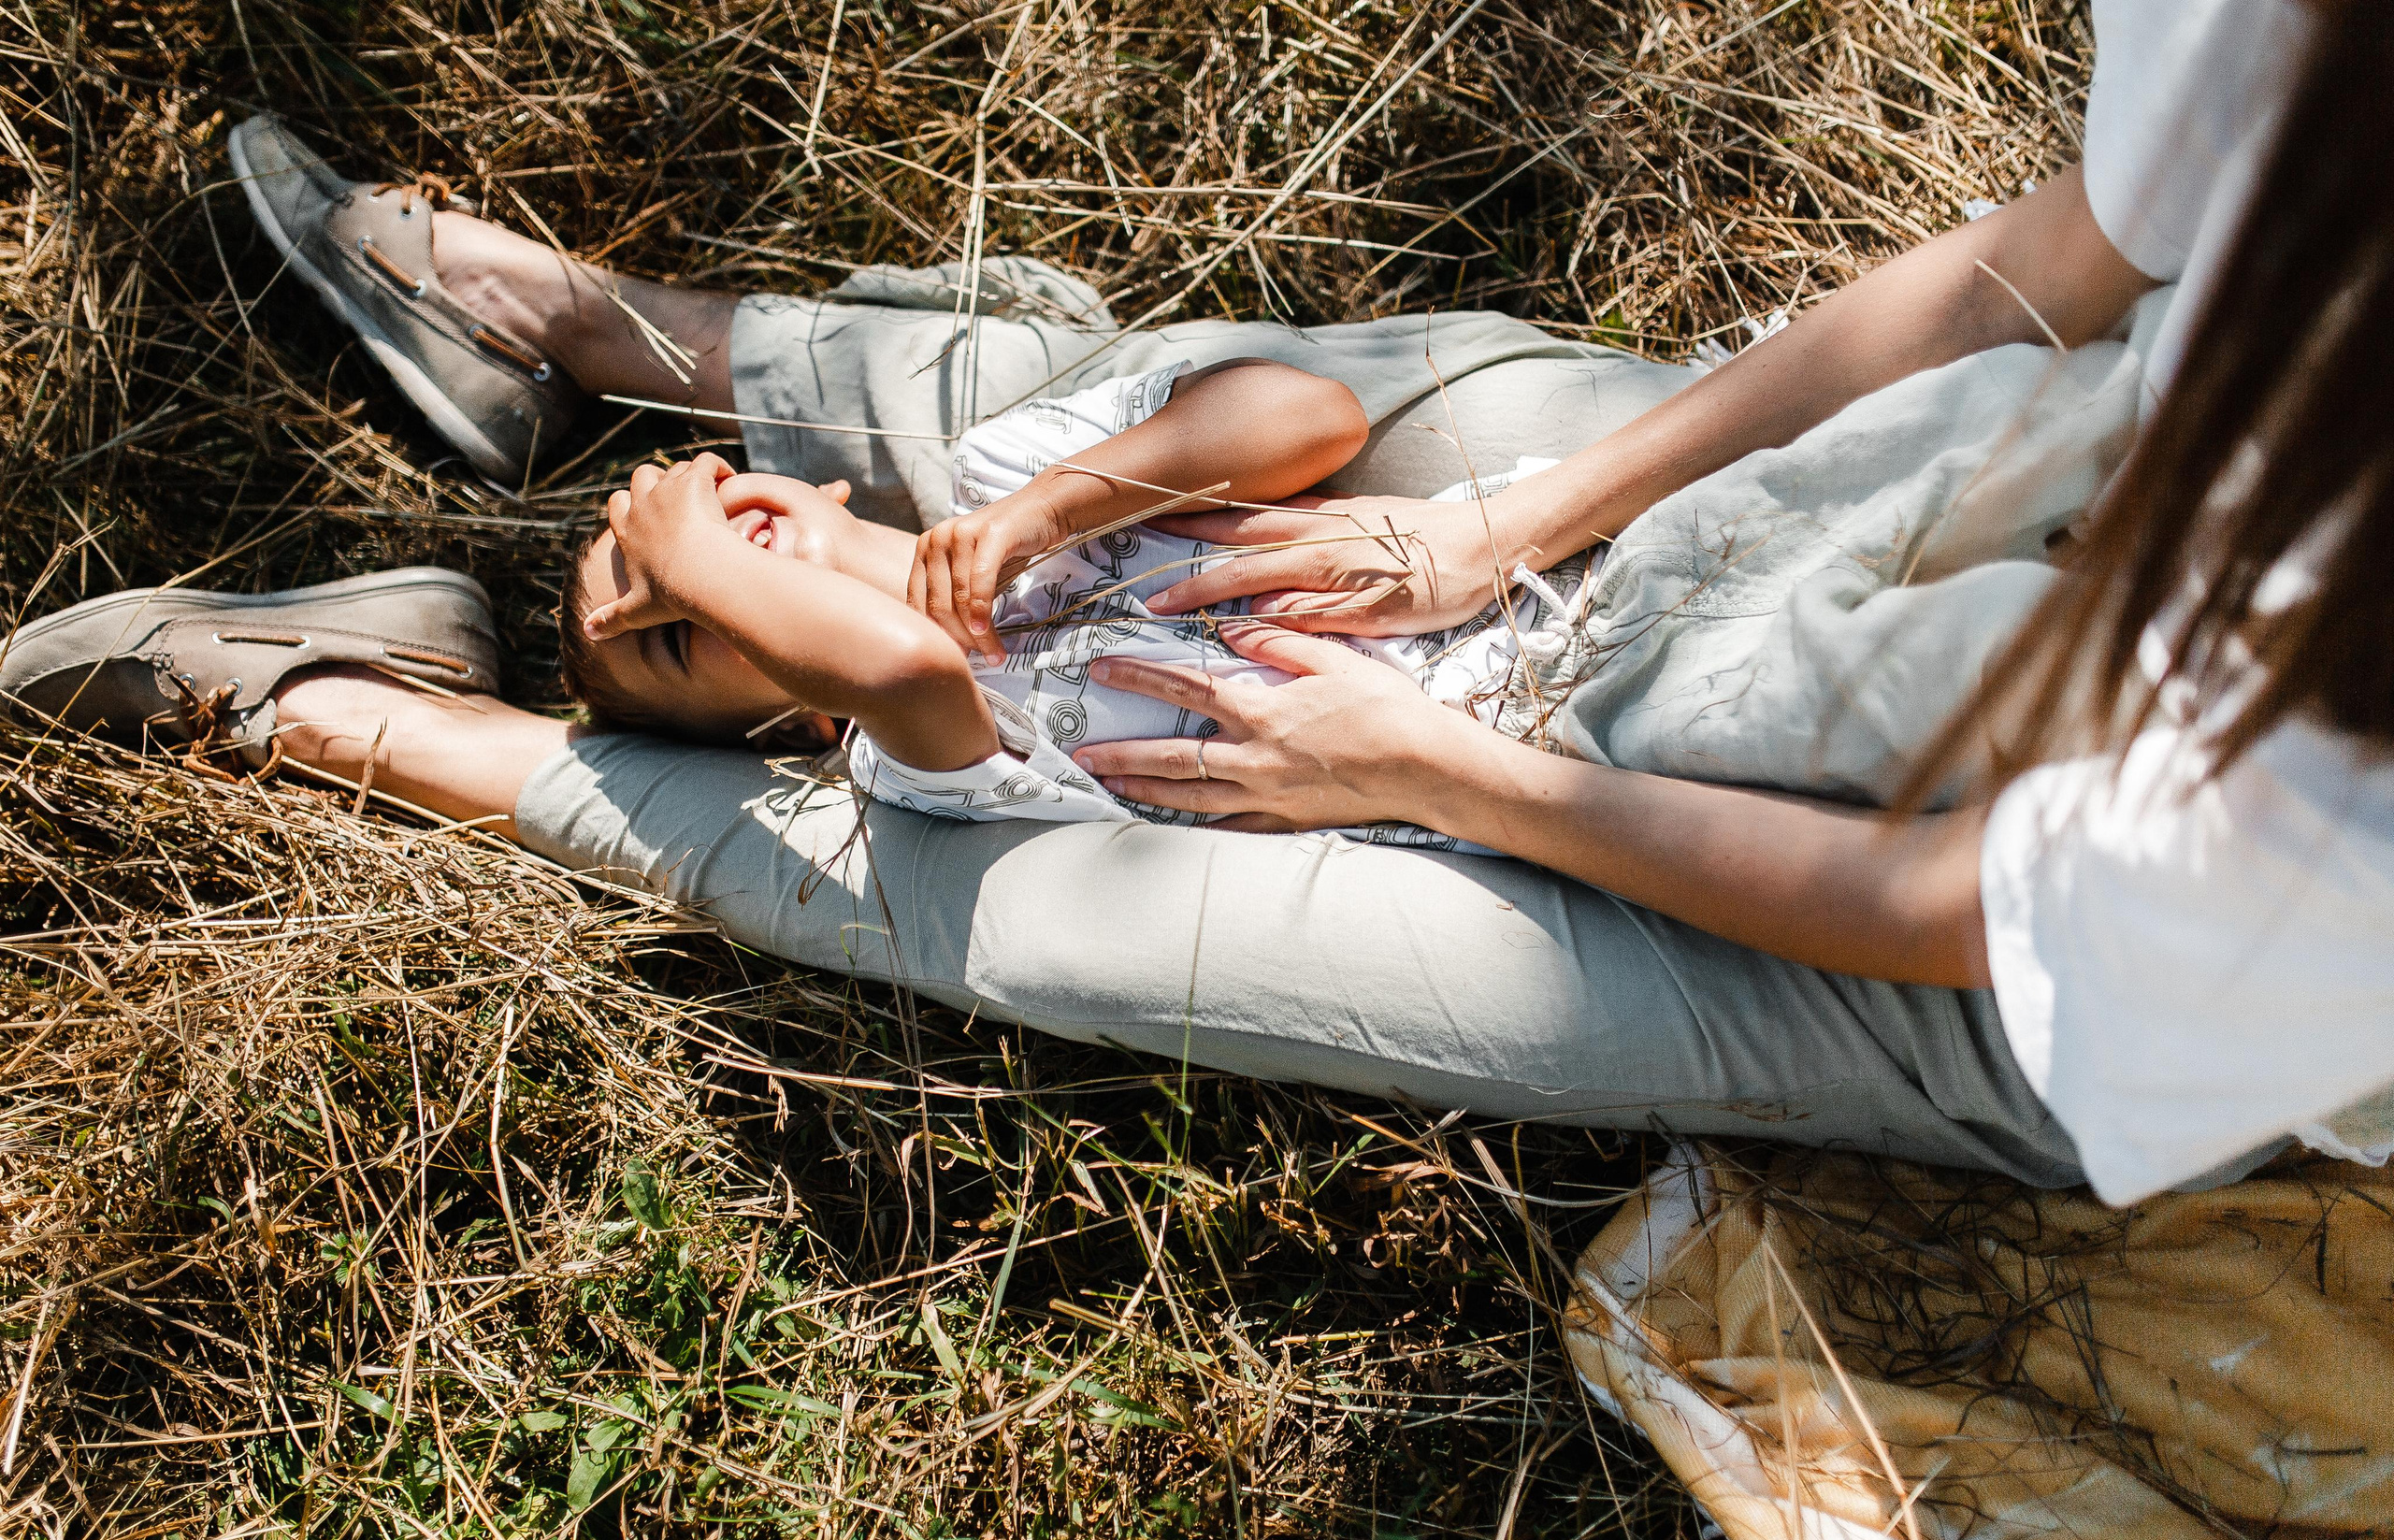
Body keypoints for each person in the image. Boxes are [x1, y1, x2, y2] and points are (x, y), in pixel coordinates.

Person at [10, 0, 2387, 1203]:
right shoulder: (910, 694)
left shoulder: (932, 665)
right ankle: (581, 344)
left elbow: (1974, 902)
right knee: (1356, 431)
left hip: (1900, 873)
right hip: (1689, 618)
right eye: (663, 616)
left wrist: (1427, 745)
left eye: (665, 553)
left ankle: (343, 704)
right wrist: (1506, 513)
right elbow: (2059, 252)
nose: (690, 553)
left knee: (998, 918)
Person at [564, 359, 1575, 847]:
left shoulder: (1006, 468)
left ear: (819, 485)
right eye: (689, 621)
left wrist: (1045, 510)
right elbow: (896, 664)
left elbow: (1315, 415)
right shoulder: (913, 758)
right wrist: (698, 558)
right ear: (803, 709)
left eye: (688, 520)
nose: (700, 565)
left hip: (1558, 573)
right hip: (1536, 752)